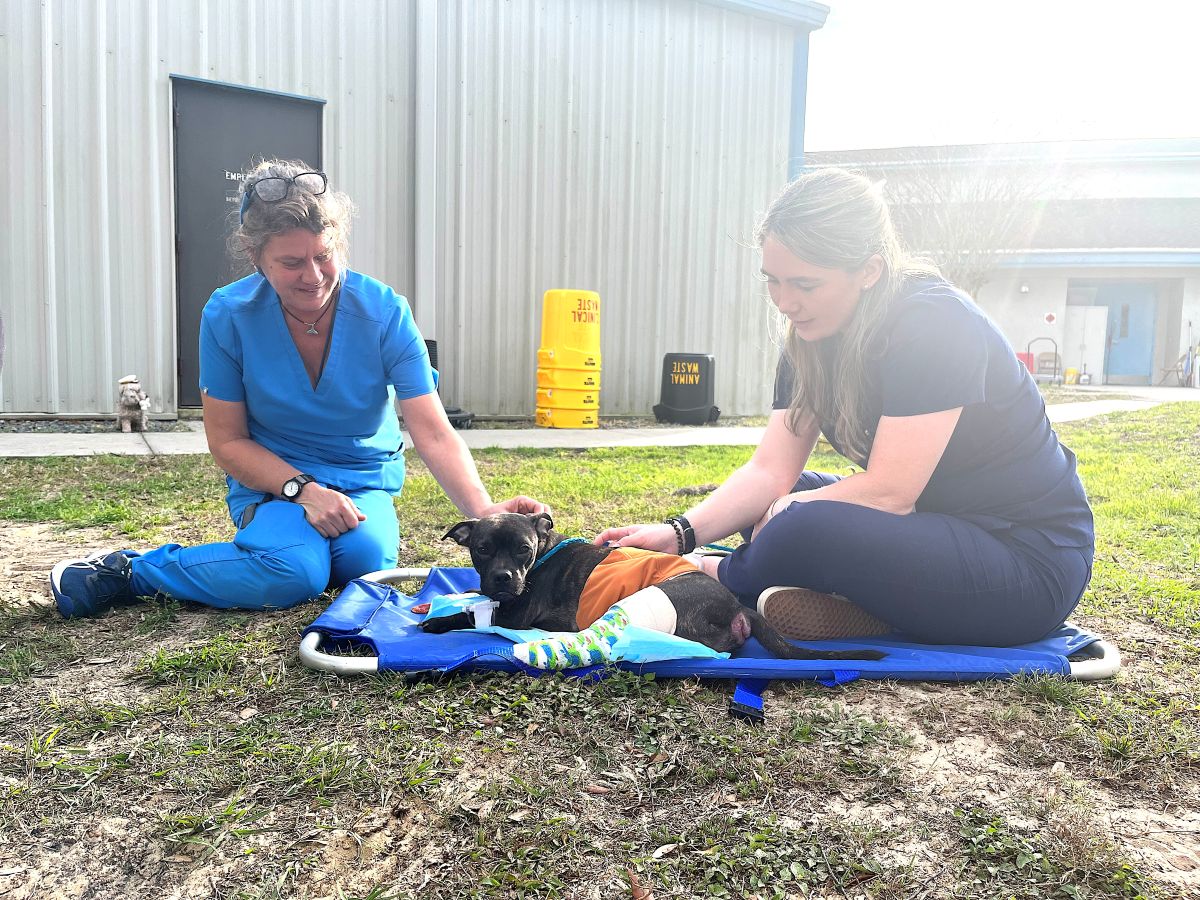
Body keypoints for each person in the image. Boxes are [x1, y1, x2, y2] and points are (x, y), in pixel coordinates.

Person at [596, 167, 1093, 647]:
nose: (784, 301)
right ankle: (866, 607)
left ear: (870, 271)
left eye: (805, 284)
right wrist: (680, 533)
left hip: (1026, 560)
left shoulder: (935, 324)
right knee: (776, 505)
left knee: (798, 522)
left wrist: (703, 561)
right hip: (933, 524)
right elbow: (771, 470)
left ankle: (721, 576)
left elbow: (890, 493)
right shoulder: (811, 337)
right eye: (772, 280)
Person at [51, 160, 547, 617]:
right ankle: (130, 571)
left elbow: (433, 432)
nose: (313, 278)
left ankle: (277, 551)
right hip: (275, 485)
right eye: (291, 263)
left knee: (365, 564)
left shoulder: (385, 312)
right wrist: (303, 490)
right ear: (255, 256)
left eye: (323, 256)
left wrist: (484, 512)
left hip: (360, 480)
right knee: (295, 574)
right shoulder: (227, 315)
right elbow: (227, 441)